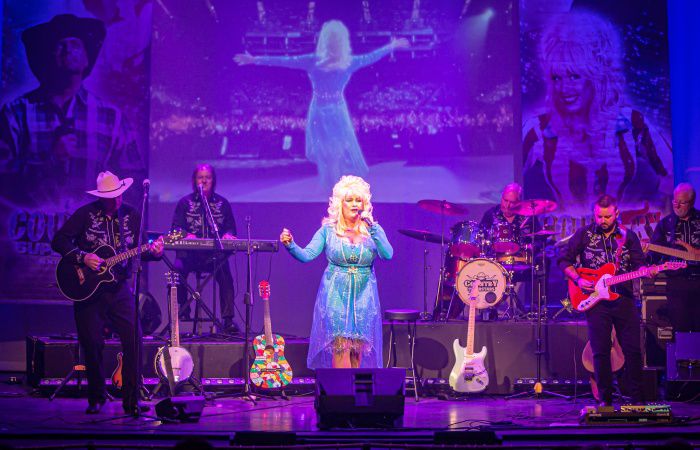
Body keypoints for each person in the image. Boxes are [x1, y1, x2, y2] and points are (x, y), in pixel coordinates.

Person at [522, 10, 671, 214]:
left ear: (595, 77)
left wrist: (662, 214)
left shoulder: (632, 123)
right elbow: (509, 186)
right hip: (563, 231)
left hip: (617, 230)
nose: (564, 88)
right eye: (557, 78)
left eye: (574, 77)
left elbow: (672, 173)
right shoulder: (537, 129)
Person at [234, 20, 409, 188]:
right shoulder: (345, 62)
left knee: (331, 151)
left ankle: (333, 182)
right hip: (331, 109)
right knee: (332, 150)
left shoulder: (320, 60)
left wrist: (255, 59)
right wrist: (392, 46)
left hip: (326, 108)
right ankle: (333, 182)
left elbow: (285, 61)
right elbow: (371, 57)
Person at [51, 171, 163, 415]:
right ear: (101, 197)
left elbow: (139, 251)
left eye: (118, 196)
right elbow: (59, 240)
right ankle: (97, 397)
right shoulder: (85, 214)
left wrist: (155, 253)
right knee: (92, 343)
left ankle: (132, 400)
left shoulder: (131, 215)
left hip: (118, 287)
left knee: (134, 338)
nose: (116, 201)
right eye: (111, 197)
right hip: (88, 290)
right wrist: (82, 257)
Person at [0, 14, 143, 193]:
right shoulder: (16, 113)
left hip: (93, 212)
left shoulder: (111, 118)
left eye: (75, 44)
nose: (68, 50)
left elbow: (133, 178)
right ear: (47, 57)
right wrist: (48, 162)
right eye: (60, 45)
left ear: (87, 59)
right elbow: (3, 176)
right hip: (31, 211)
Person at [279, 175, 393, 368]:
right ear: (340, 203)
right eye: (349, 200)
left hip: (364, 296)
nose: (355, 204)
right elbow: (307, 255)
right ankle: (341, 387)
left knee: (357, 351)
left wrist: (373, 229)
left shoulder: (373, 229)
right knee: (342, 346)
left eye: (359, 200)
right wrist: (290, 245)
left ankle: (354, 387)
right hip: (336, 295)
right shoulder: (328, 230)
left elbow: (387, 254)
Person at [558, 194, 651, 406]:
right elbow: (563, 259)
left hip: (623, 298)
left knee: (633, 350)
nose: (603, 220)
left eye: (607, 216)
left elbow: (639, 264)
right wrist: (578, 279)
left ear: (616, 213)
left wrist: (646, 271)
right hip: (596, 300)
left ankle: (637, 400)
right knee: (600, 351)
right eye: (599, 216)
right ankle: (605, 401)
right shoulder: (584, 234)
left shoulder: (628, 237)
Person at [171, 164, 238, 331]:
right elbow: (175, 228)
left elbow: (231, 228)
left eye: (207, 177)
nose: (204, 181)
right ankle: (182, 310)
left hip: (213, 256)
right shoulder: (184, 203)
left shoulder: (222, 203)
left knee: (225, 274)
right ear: (195, 180)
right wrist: (186, 234)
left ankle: (228, 320)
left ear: (213, 180)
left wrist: (228, 235)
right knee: (176, 270)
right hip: (189, 256)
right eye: (200, 177)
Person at [648, 183, 700, 332]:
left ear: (691, 202)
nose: (676, 206)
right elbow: (654, 253)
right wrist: (651, 265)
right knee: (680, 329)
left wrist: (695, 252)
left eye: (681, 203)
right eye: (675, 201)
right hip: (677, 283)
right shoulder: (666, 224)